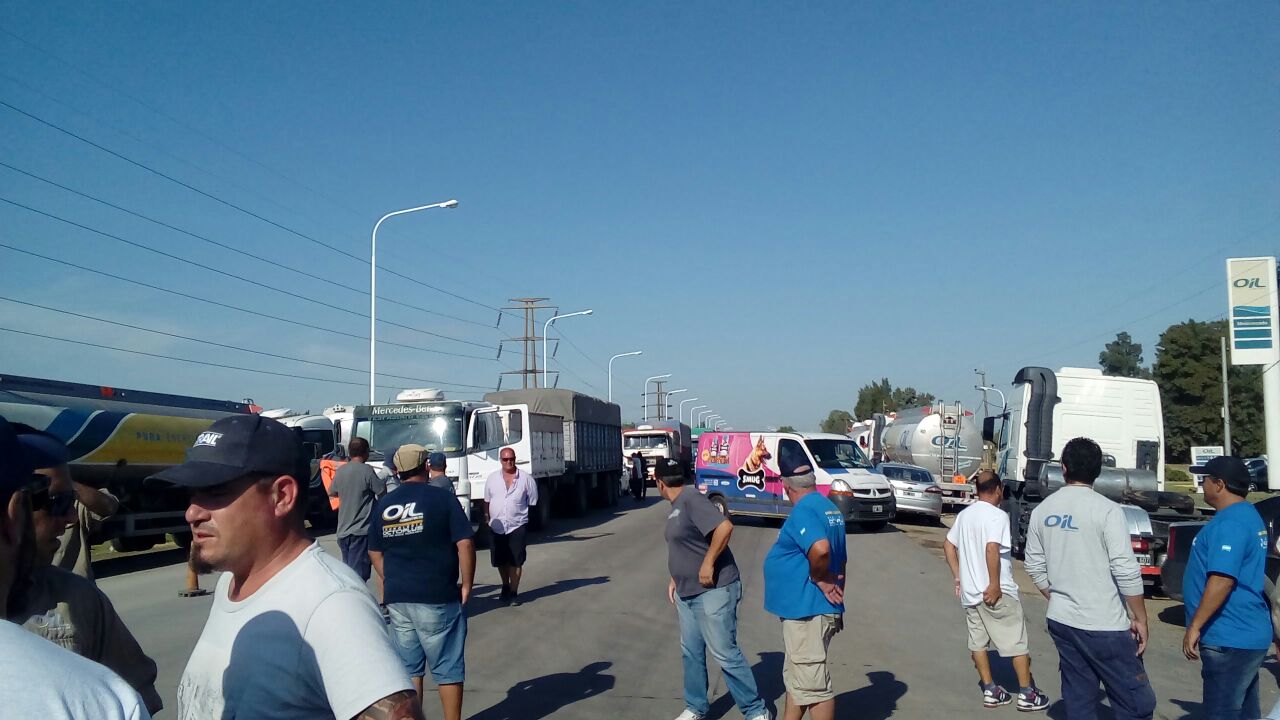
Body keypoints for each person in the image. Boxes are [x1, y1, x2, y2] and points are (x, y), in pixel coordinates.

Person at [150, 414, 420, 720]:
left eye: (215, 492)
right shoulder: (232, 582)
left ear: (282, 496)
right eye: (192, 494)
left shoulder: (332, 604)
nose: (192, 513)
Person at [0, 415, 153, 720]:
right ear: (15, 512)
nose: (70, 517)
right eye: (56, 502)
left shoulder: (81, 599)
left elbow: (137, 696)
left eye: (70, 501)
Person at [1024, 437, 1156, 720]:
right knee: (1137, 704)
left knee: (1079, 698)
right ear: (1098, 472)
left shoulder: (1042, 511)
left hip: (1062, 621)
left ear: (1063, 468)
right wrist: (1140, 617)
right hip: (1105, 624)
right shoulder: (1108, 510)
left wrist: (1058, 596)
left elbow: (1034, 566)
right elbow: (1125, 568)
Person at [369, 447, 475, 720]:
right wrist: (467, 584)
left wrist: (389, 577)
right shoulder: (442, 498)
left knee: (409, 670)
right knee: (447, 668)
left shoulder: (385, 504)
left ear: (396, 471)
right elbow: (464, 542)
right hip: (437, 594)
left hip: (399, 598)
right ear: (426, 466)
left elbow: (374, 551)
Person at [658, 468, 767, 720]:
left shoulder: (691, 499)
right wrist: (675, 576)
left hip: (713, 589)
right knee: (691, 651)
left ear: (660, 483)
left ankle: (755, 711)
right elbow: (687, 543)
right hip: (687, 593)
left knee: (724, 652)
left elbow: (724, 528)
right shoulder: (677, 505)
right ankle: (695, 707)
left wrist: (708, 563)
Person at [943, 471, 1048, 711]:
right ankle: (1027, 693)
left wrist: (959, 576)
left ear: (977, 490)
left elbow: (948, 545)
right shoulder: (998, 516)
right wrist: (994, 584)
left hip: (970, 594)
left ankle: (990, 690)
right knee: (1017, 643)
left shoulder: (965, 515)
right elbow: (992, 548)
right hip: (995, 593)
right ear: (998, 489)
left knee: (978, 643)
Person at [1181, 455, 1271, 719]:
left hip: (1229, 636)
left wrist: (1195, 625)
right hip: (1244, 634)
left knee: (1222, 711)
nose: (1202, 484)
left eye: (1204, 478)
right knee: (1244, 710)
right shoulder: (1246, 514)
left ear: (1219, 484)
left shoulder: (1231, 522)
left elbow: (1222, 579)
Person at [763, 455, 847, 720]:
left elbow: (821, 549)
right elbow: (841, 558)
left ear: (787, 486)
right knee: (799, 679)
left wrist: (820, 579)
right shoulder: (827, 507)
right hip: (812, 609)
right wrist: (837, 599)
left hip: (807, 611)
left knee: (814, 687)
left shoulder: (803, 511)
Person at [38, 463, 119, 582]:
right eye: (57, 504)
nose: (72, 517)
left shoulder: (75, 504)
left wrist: (66, 484)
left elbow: (108, 507)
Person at [484, 447, 538, 606]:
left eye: (511, 459)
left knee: (516, 560)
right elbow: (486, 501)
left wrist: (529, 523)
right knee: (500, 560)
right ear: (501, 460)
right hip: (497, 525)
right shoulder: (492, 478)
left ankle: (514, 592)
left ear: (515, 459)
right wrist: (487, 518)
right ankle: (505, 585)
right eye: (505, 459)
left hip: (517, 525)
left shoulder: (526, 479)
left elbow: (533, 501)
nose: (509, 462)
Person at [328, 436, 386, 582]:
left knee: (348, 573)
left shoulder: (341, 471)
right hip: (360, 531)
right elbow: (381, 492)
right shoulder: (367, 470)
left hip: (343, 531)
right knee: (358, 576)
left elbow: (332, 491)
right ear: (365, 452)